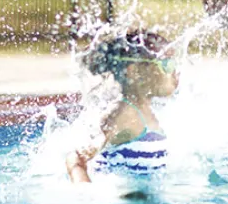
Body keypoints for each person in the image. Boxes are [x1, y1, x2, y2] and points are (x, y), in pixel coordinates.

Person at [66, 28, 179, 183]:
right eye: (167, 64)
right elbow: (78, 160)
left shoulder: (147, 114)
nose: (176, 72)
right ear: (134, 71)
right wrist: (84, 188)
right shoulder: (124, 113)